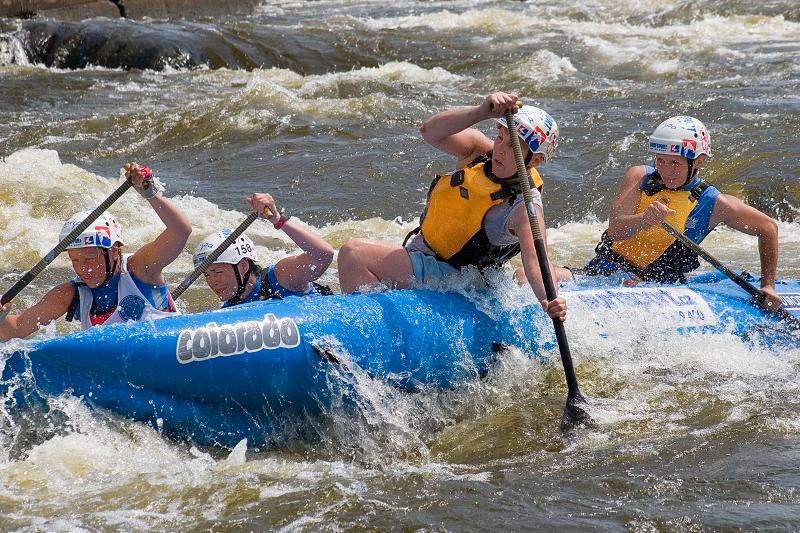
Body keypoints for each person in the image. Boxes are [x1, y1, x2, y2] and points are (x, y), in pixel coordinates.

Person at [337, 92, 567, 320]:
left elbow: (536, 260)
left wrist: (550, 300)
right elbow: (430, 131)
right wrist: (481, 112)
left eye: (513, 145)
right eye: (500, 138)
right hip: (429, 258)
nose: (500, 149)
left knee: (354, 254)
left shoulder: (524, 207)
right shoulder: (478, 152)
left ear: (536, 160)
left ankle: (373, 331)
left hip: (456, 278)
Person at [584, 115, 782, 310]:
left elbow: (768, 228)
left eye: (675, 163)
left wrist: (768, 286)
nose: (665, 170)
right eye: (660, 161)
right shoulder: (639, 177)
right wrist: (644, 219)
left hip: (658, 291)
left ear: (698, 161)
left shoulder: (713, 202)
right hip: (605, 272)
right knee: (556, 274)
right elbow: (616, 230)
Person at [0, 162, 192, 340]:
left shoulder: (140, 268)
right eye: (75, 260)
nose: (83, 269)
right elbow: (15, 329)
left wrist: (151, 194)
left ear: (115, 251)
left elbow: (181, 231)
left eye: (90, 259)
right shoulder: (71, 293)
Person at [193, 192, 334, 307]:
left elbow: (323, 255)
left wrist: (278, 220)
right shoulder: (228, 309)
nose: (212, 282)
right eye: (206, 275)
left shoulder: (280, 277)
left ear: (243, 266)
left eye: (217, 271)